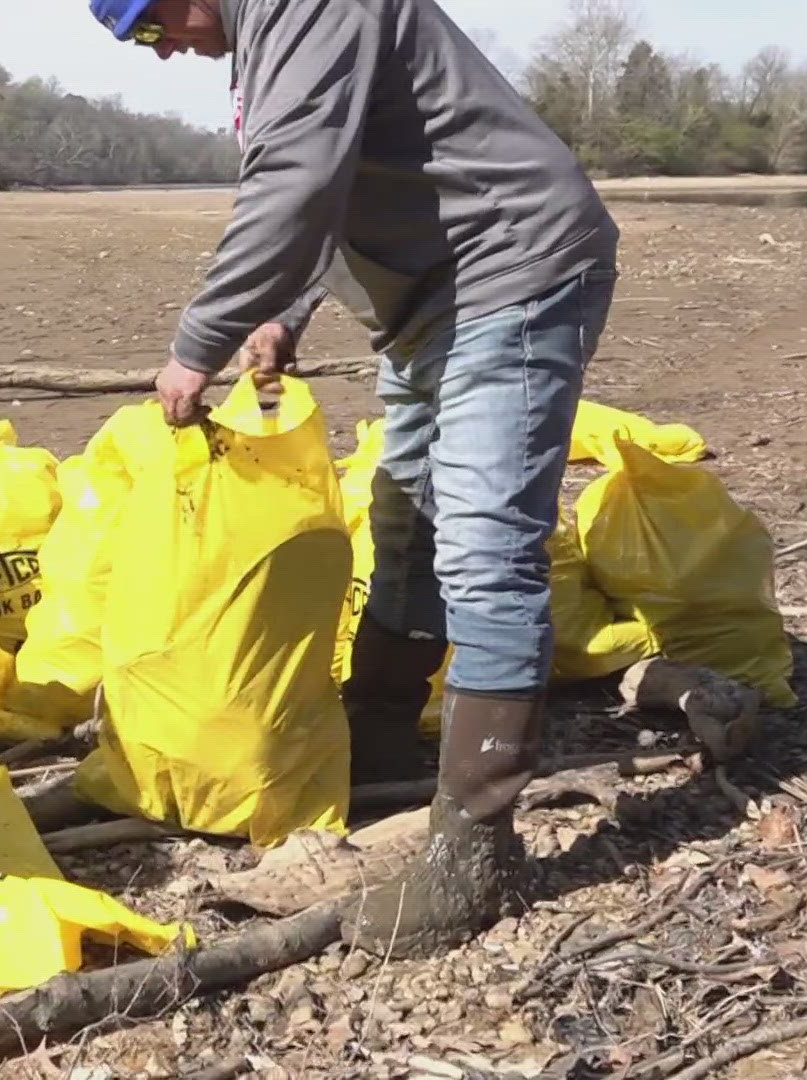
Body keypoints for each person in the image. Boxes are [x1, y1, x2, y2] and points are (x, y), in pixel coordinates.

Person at [87, 0, 620, 959]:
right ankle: (380, 736)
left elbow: (295, 181)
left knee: (483, 540)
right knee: (407, 512)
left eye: (153, 26)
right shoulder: (262, 38)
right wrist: (283, 313)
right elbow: (327, 183)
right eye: (140, 43)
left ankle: (475, 853)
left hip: (514, 267)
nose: (166, 51)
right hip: (427, 300)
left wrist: (194, 348)